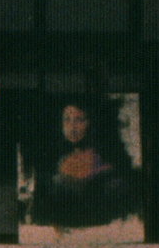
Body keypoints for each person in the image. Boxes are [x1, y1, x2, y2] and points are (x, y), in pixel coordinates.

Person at [25, 97, 142, 230]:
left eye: (79, 120)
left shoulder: (107, 164)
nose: (72, 127)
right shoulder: (51, 162)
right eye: (67, 119)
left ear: (91, 122)